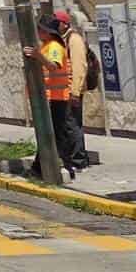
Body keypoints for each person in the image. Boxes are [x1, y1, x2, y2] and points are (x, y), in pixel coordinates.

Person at [23, 15, 82, 180]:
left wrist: (37, 56)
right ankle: (42, 168)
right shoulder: (47, 45)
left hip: (56, 98)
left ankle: (59, 168)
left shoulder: (54, 46)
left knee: (54, 135)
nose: (38, 32)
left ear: (47, 32)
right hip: (52, 97)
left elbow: (53, 67)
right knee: (52, 135)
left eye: (40, 29)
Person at [54, 9, 91, 171]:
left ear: (64, 23)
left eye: (56, 22)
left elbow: (79, 66)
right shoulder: (62, 39)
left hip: (72, 90)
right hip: (63, 90)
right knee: (66, 125)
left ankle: (79, 160)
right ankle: (70, 158)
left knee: (73, 125)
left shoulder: (74, 39)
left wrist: (75, 92)